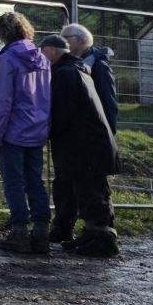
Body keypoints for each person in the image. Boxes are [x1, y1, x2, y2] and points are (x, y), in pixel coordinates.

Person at [37, 34, 120, 258]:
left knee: (91, 191)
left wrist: (46, 131)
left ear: (53, 52)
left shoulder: (65, 74)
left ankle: (103, 239)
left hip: (84, 145)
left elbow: (63, 112)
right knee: (87, 189)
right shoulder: (78, 70)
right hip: (87, 142)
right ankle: (94, 233)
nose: (40, 55)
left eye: (42, 50)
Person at [0, 10, 52, 255]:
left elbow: (2, 101)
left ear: (2, 33)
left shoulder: (6, 60)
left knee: (14, 182)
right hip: (37, 131)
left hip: (13, 132)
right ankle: (42, 232)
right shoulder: (43, 59)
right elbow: (46, 97)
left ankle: (19, 233)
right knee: (35, 182)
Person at [59, 24, 118, 134]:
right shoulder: (72, 63)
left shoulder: (99, 66)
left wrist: (109, 132)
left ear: (79, 40)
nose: (61, 41)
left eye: (65, 38)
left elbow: (108, 101)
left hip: (95, 134)